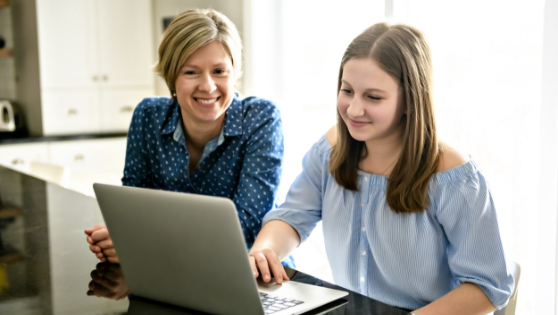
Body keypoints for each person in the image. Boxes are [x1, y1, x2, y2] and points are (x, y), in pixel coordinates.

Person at [248, 22, 514, 314]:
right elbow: (292, 216)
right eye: (347, 91)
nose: (353, 109)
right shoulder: (330, 151)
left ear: (410, 101)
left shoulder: (454, 177)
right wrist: (265, 249)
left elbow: (488, 287)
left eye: (373, 97)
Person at [85, 8, 293, 267]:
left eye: (219, 71)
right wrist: (121, 238)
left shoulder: (261, 118)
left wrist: (139, 243)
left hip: (248, 270)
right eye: (191, 72)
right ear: (172, 77)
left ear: (234, 74)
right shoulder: (148, 116)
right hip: (172, 268)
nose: (207, 86)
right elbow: (134, 207)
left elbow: (245, 223)